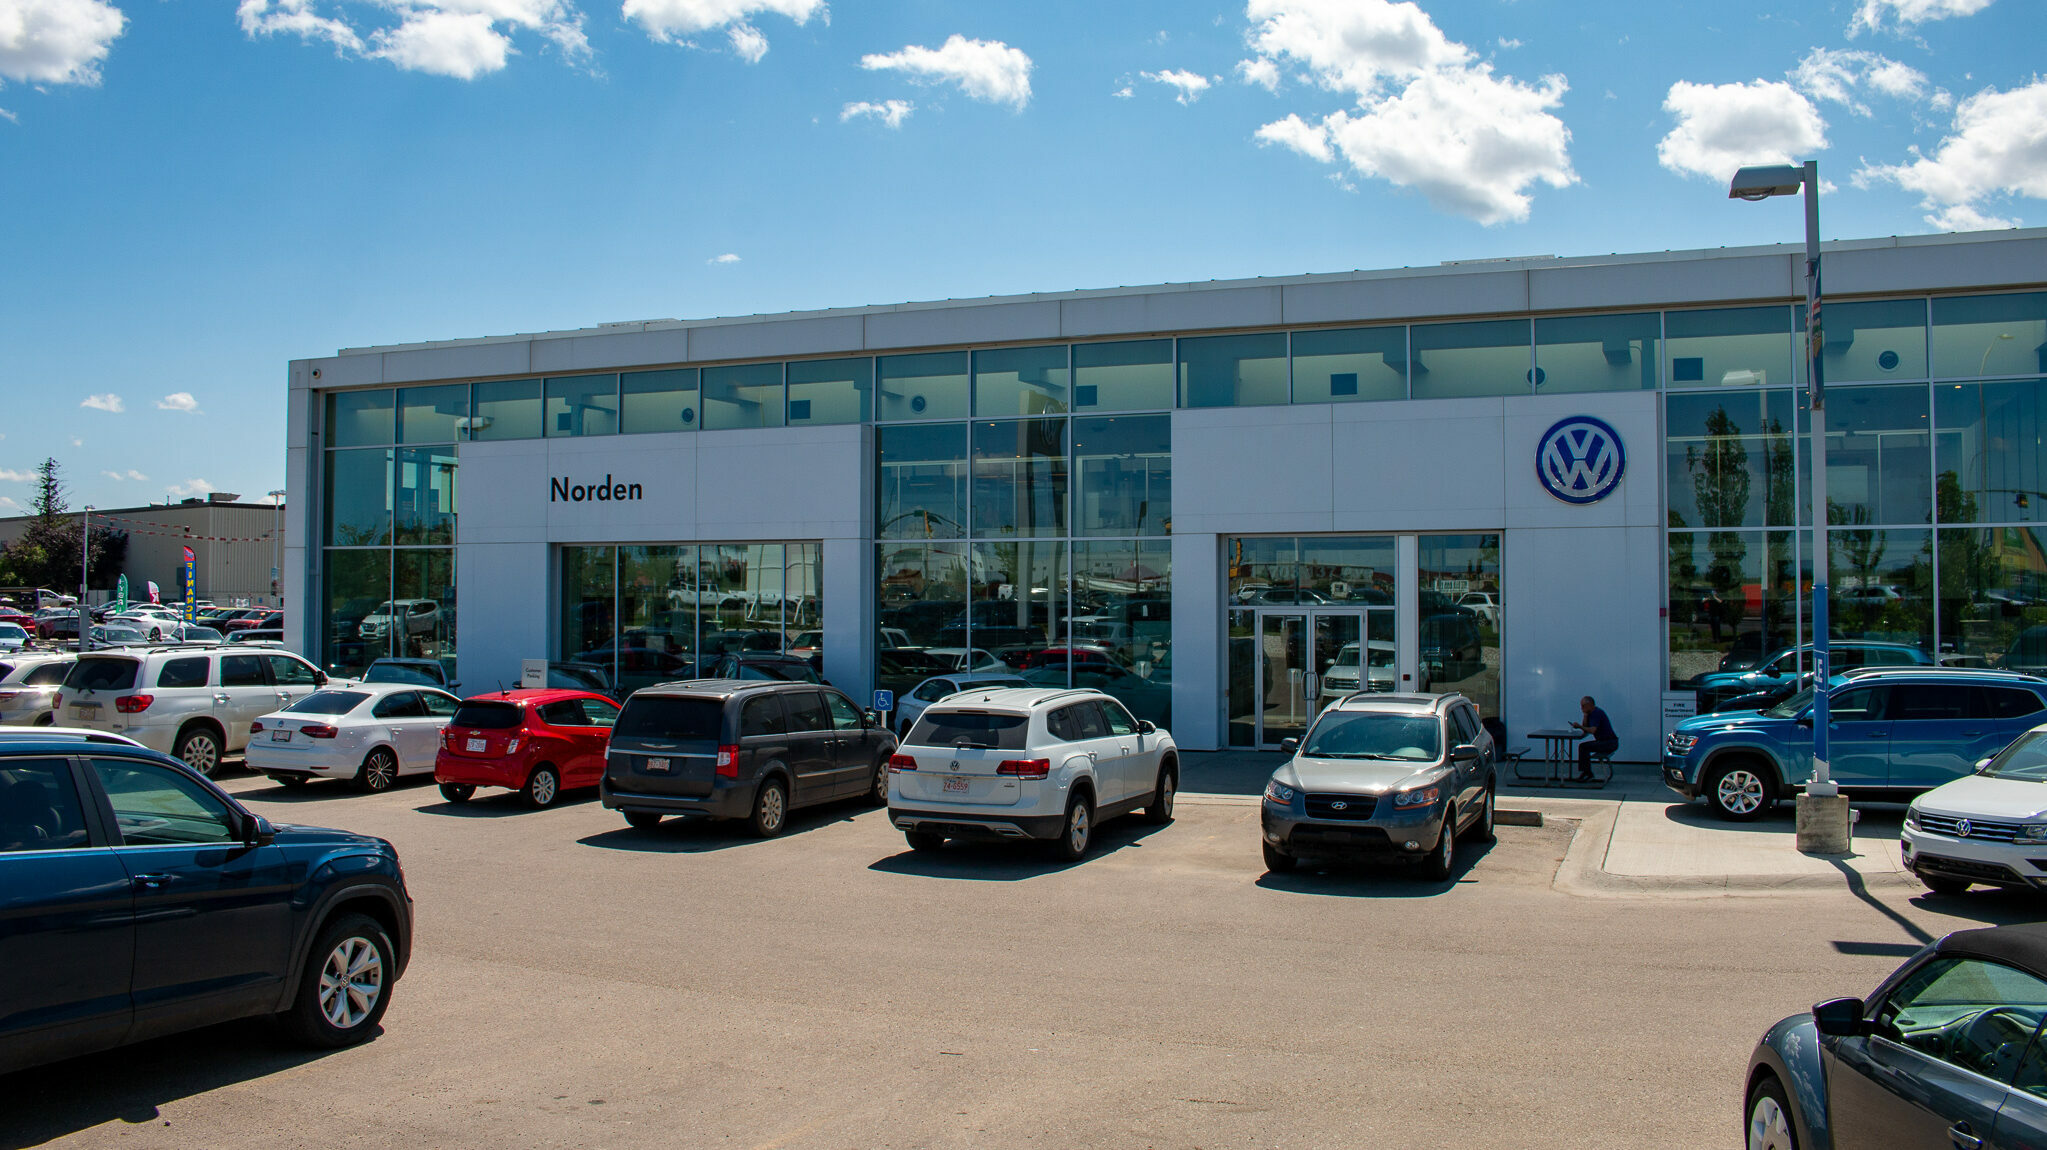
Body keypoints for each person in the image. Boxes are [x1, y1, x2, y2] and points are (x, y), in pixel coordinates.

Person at [1572, 695, 1617, 782]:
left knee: (1583, 747)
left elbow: (1592, 730)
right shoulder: (1590, 714)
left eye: (1583, 706)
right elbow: (1585, 728)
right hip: (1605, 741)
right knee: (1584, 747)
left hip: (1609, 742)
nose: (1582, 708)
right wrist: (1585, 715)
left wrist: (1580, 726)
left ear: (1590, 705)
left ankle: (1587, 773)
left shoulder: (1596, 713)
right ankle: (1586, 772)